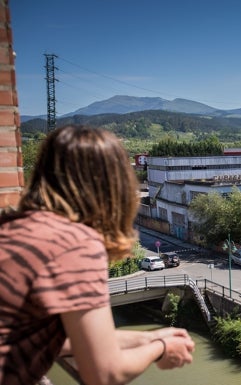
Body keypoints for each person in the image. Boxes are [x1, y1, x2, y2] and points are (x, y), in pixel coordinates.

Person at [0, 125, 195, 385]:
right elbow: (105, 374)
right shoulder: (72, 243)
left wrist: (146, 337)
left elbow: (58, 341)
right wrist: (160, 348)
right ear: (115, 186)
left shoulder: (12, 225)